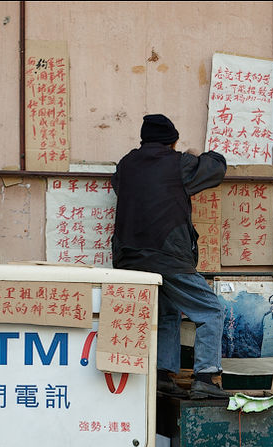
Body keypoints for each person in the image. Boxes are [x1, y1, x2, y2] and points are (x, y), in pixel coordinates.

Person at [111, 114, 227, 398]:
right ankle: (206, 377)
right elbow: (216, 168)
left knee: (166, 312)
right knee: (212, 310)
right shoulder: (179, 164)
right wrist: (195, 154)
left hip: (128, 259)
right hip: (167, 256)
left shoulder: (126, 165)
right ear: (172, 142)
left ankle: (162, 375)